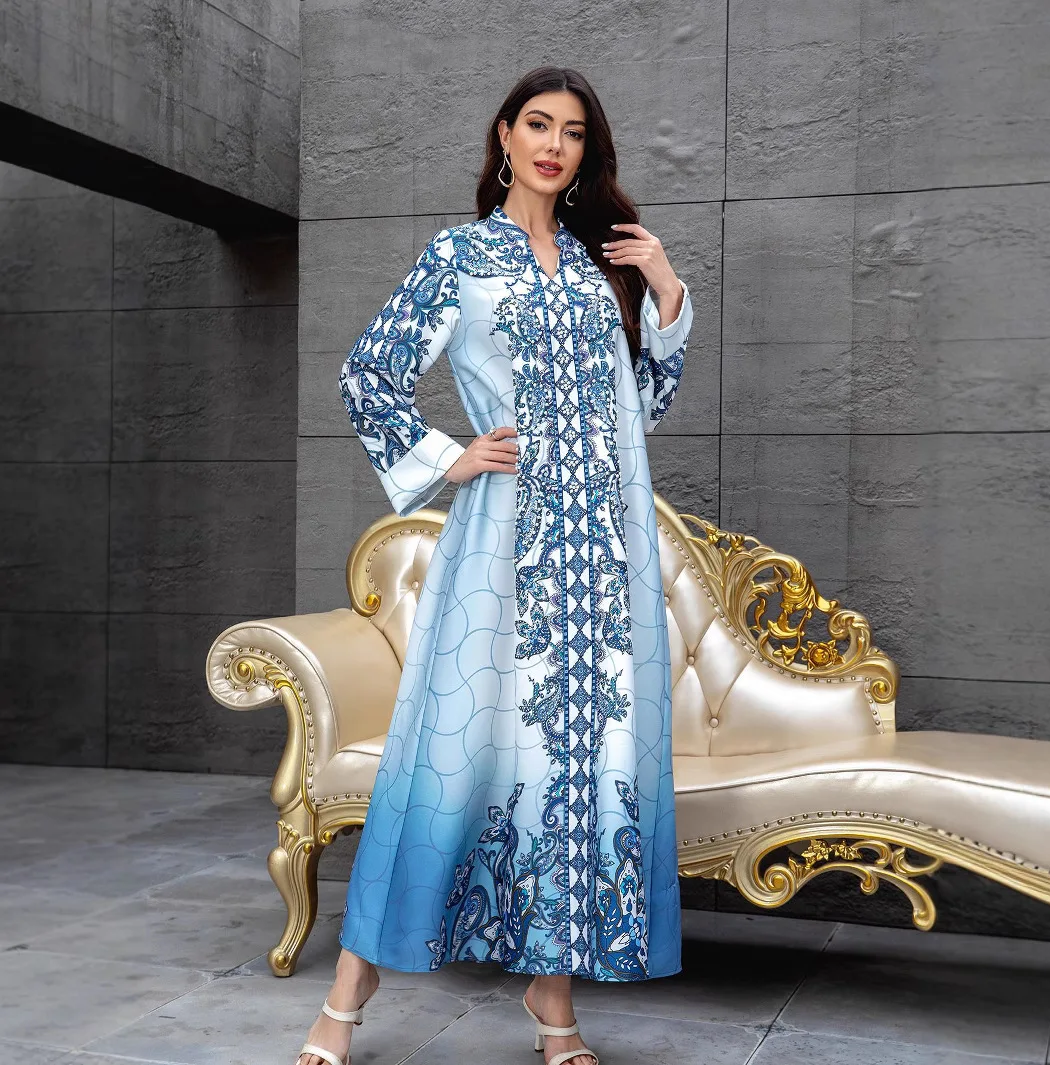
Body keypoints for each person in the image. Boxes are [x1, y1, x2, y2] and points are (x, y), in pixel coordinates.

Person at [296, 64, 693, 1065]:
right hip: (503, 548)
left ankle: (553, 1007)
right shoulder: (459, 256)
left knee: (580, 768)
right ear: (505, 136)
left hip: (602, 557)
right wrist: (449, 456)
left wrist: (663, 289)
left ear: (587, 152)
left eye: (574, 132)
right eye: (538, 125)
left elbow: (637, 410)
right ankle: (345, 997)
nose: (555, 144)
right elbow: (368, 372)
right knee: (446, 759)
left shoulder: (599, 268)